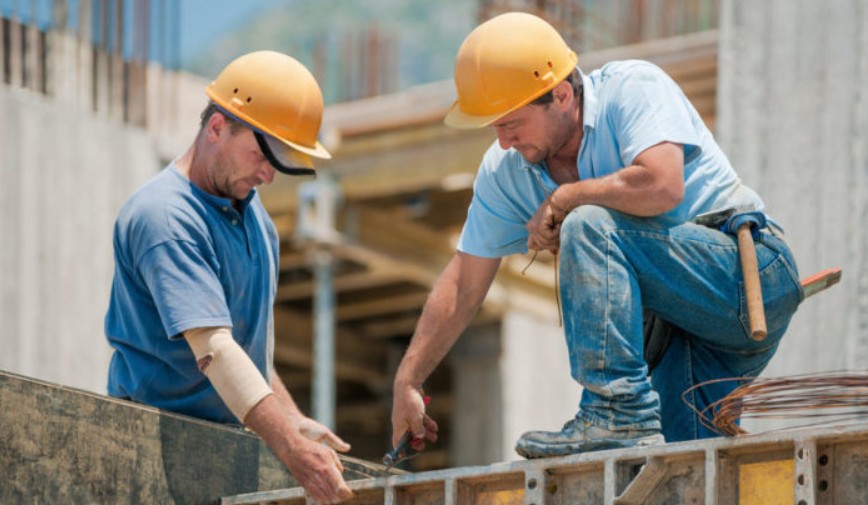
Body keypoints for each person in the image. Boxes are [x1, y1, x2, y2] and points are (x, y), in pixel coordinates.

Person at [390, 12, 803, 459]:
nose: (504, 141)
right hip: (680, 335)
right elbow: (463, 282)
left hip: (746, 277)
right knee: (682, 471)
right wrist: (408, 379)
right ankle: (624, 418)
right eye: (495, 128)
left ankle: (616, 413)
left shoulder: (632, 89)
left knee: (587, 223)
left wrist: (568, 197)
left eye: (511, 124)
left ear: (562, 95)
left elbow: (663, 184)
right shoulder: (505, 171)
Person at [104, 51, 353, 503]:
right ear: (217, 127)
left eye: (278, 162)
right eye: (261, 154)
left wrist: (293, 420)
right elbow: (215, 350)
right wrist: (291, 450)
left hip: (219, 452)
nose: (268, 175)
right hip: (152, 453)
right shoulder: (165, 217)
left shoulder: (256, 222)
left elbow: (242, 349)